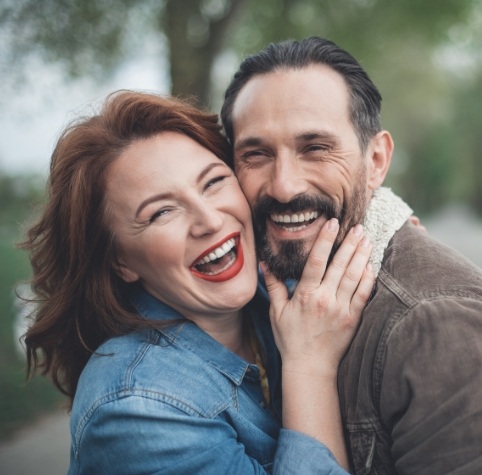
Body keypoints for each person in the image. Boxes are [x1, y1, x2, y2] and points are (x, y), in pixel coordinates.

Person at [22, 90, 375, 474]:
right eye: (161, 212)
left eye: (213, 182)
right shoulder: (137, 408)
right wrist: (309, 366)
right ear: (120, 261)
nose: (209, 220)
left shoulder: (272, 290)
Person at [220, 37, 482, 474]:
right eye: (256, 153)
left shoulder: (434, 323)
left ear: (375, 160)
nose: (284, 186)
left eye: (315, 148)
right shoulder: (264, 284)